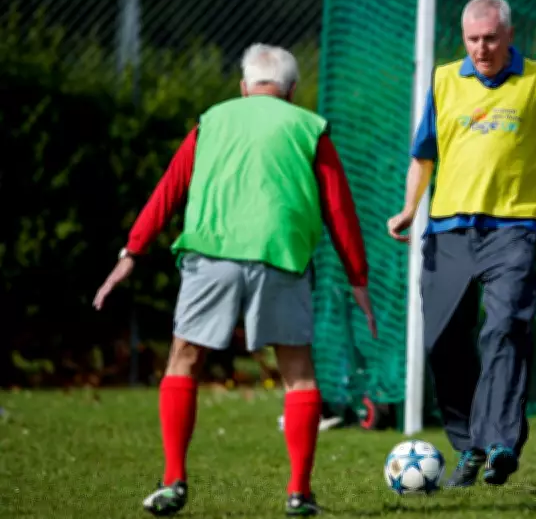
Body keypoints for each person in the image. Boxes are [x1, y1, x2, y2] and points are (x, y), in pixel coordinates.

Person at [93, 43, 377, 517]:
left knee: (184, 360)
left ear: (244, 87)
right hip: (280, 255)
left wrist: (132, 251)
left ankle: (173, 481)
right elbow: (339, 208)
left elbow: (169, 189)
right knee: (298, 373)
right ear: (292, 90)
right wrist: (358, 279)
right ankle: (298, 493)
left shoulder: (211, 121)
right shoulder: (308, 126)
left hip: (212, 254)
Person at [387, 0, 536, 488]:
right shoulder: (443, 81)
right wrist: (411, 208)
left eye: (491, 38)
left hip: (513, 230)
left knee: (504, 329)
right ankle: (469, 446)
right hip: (448, 231)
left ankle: (500, 444)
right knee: (441, 341)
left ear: (510, 36)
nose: (482, 48)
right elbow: (423, 155)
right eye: (473, 39)